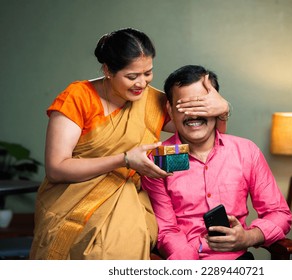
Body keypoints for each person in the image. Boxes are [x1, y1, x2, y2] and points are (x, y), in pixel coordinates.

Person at [30, 28, 230, 260]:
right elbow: (56, 169)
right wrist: (124, 159)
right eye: (132, 76)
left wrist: (222, 110)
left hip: (129, 199)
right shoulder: (78, 97)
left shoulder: (153, 100)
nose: (142, 83)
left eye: (148, 73)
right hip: (73, 197)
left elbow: (204, 133)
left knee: (123, 239)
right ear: (107, 70)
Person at [142, 65, 292, 260]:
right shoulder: (157, 159)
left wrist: (248, 237)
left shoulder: (246, 151)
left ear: (217, 106)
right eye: (184, 106)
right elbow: (166, 230)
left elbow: (279, 213)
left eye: (201, 105)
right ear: (170, 109)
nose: (194, 115)